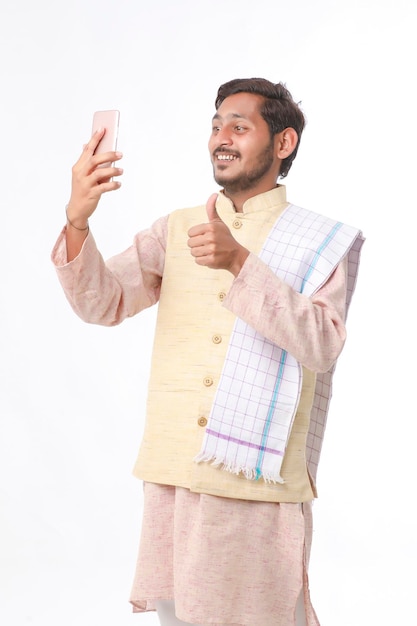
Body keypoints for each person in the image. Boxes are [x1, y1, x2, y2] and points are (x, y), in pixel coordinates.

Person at [51, 77, 364, 626]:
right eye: (216, 125)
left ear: (283, 143)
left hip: (258, 482)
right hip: (173, 474)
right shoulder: (177, 229)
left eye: (240, 127)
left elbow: (322, 344)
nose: (221, 137)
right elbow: (103, 302)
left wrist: (242, 264)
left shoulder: (321, 240)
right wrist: (78, 220)